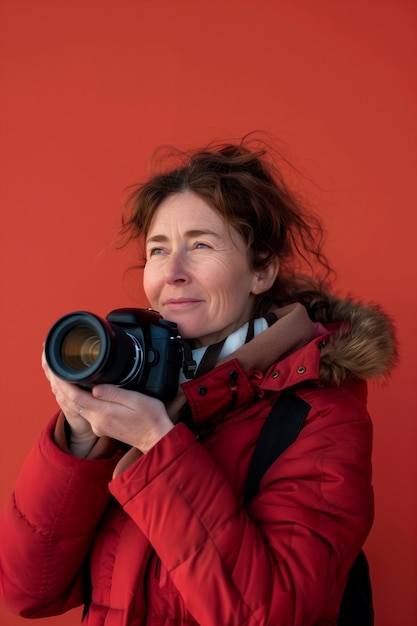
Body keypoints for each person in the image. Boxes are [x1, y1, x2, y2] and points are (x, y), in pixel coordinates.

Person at [0, 135, 398, 625]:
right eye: (158, 250)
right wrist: (82, 441)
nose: (173, 273)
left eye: (201, 246)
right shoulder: (135, 393)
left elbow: (273, 613)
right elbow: (27, 591)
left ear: (262, 270)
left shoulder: (320, 417)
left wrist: (159, 444)